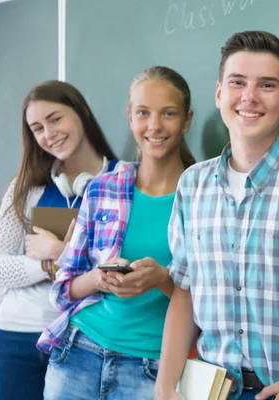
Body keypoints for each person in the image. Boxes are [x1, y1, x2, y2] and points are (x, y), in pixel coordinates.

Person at [155, 31, 279, 400]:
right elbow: (185, 290)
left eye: (267, 85)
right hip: (208, 391)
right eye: (238, 83)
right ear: (218, 93)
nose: (249, 97)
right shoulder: (192, 185)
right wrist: (165, 388)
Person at [38, 66, 196, 400]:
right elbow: (62, 288)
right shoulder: (102, 189)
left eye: (168, 113)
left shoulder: (205, 198)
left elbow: (213, 304)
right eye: (143, 113)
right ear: (130, 116)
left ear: (187, 120)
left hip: (153, 370)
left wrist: (162, 280)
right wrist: (99, 278)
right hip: (78, 354)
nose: (154, 126)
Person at [0, 80, 118, 400]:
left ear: (83, 112)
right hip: (17, 340)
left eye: (56, 118)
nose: (48, 133)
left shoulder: (122, 182)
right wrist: (50, 265)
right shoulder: (26, 187)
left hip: (86, 343)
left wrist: (62, 252)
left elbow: (120, 265)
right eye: (37, 127)